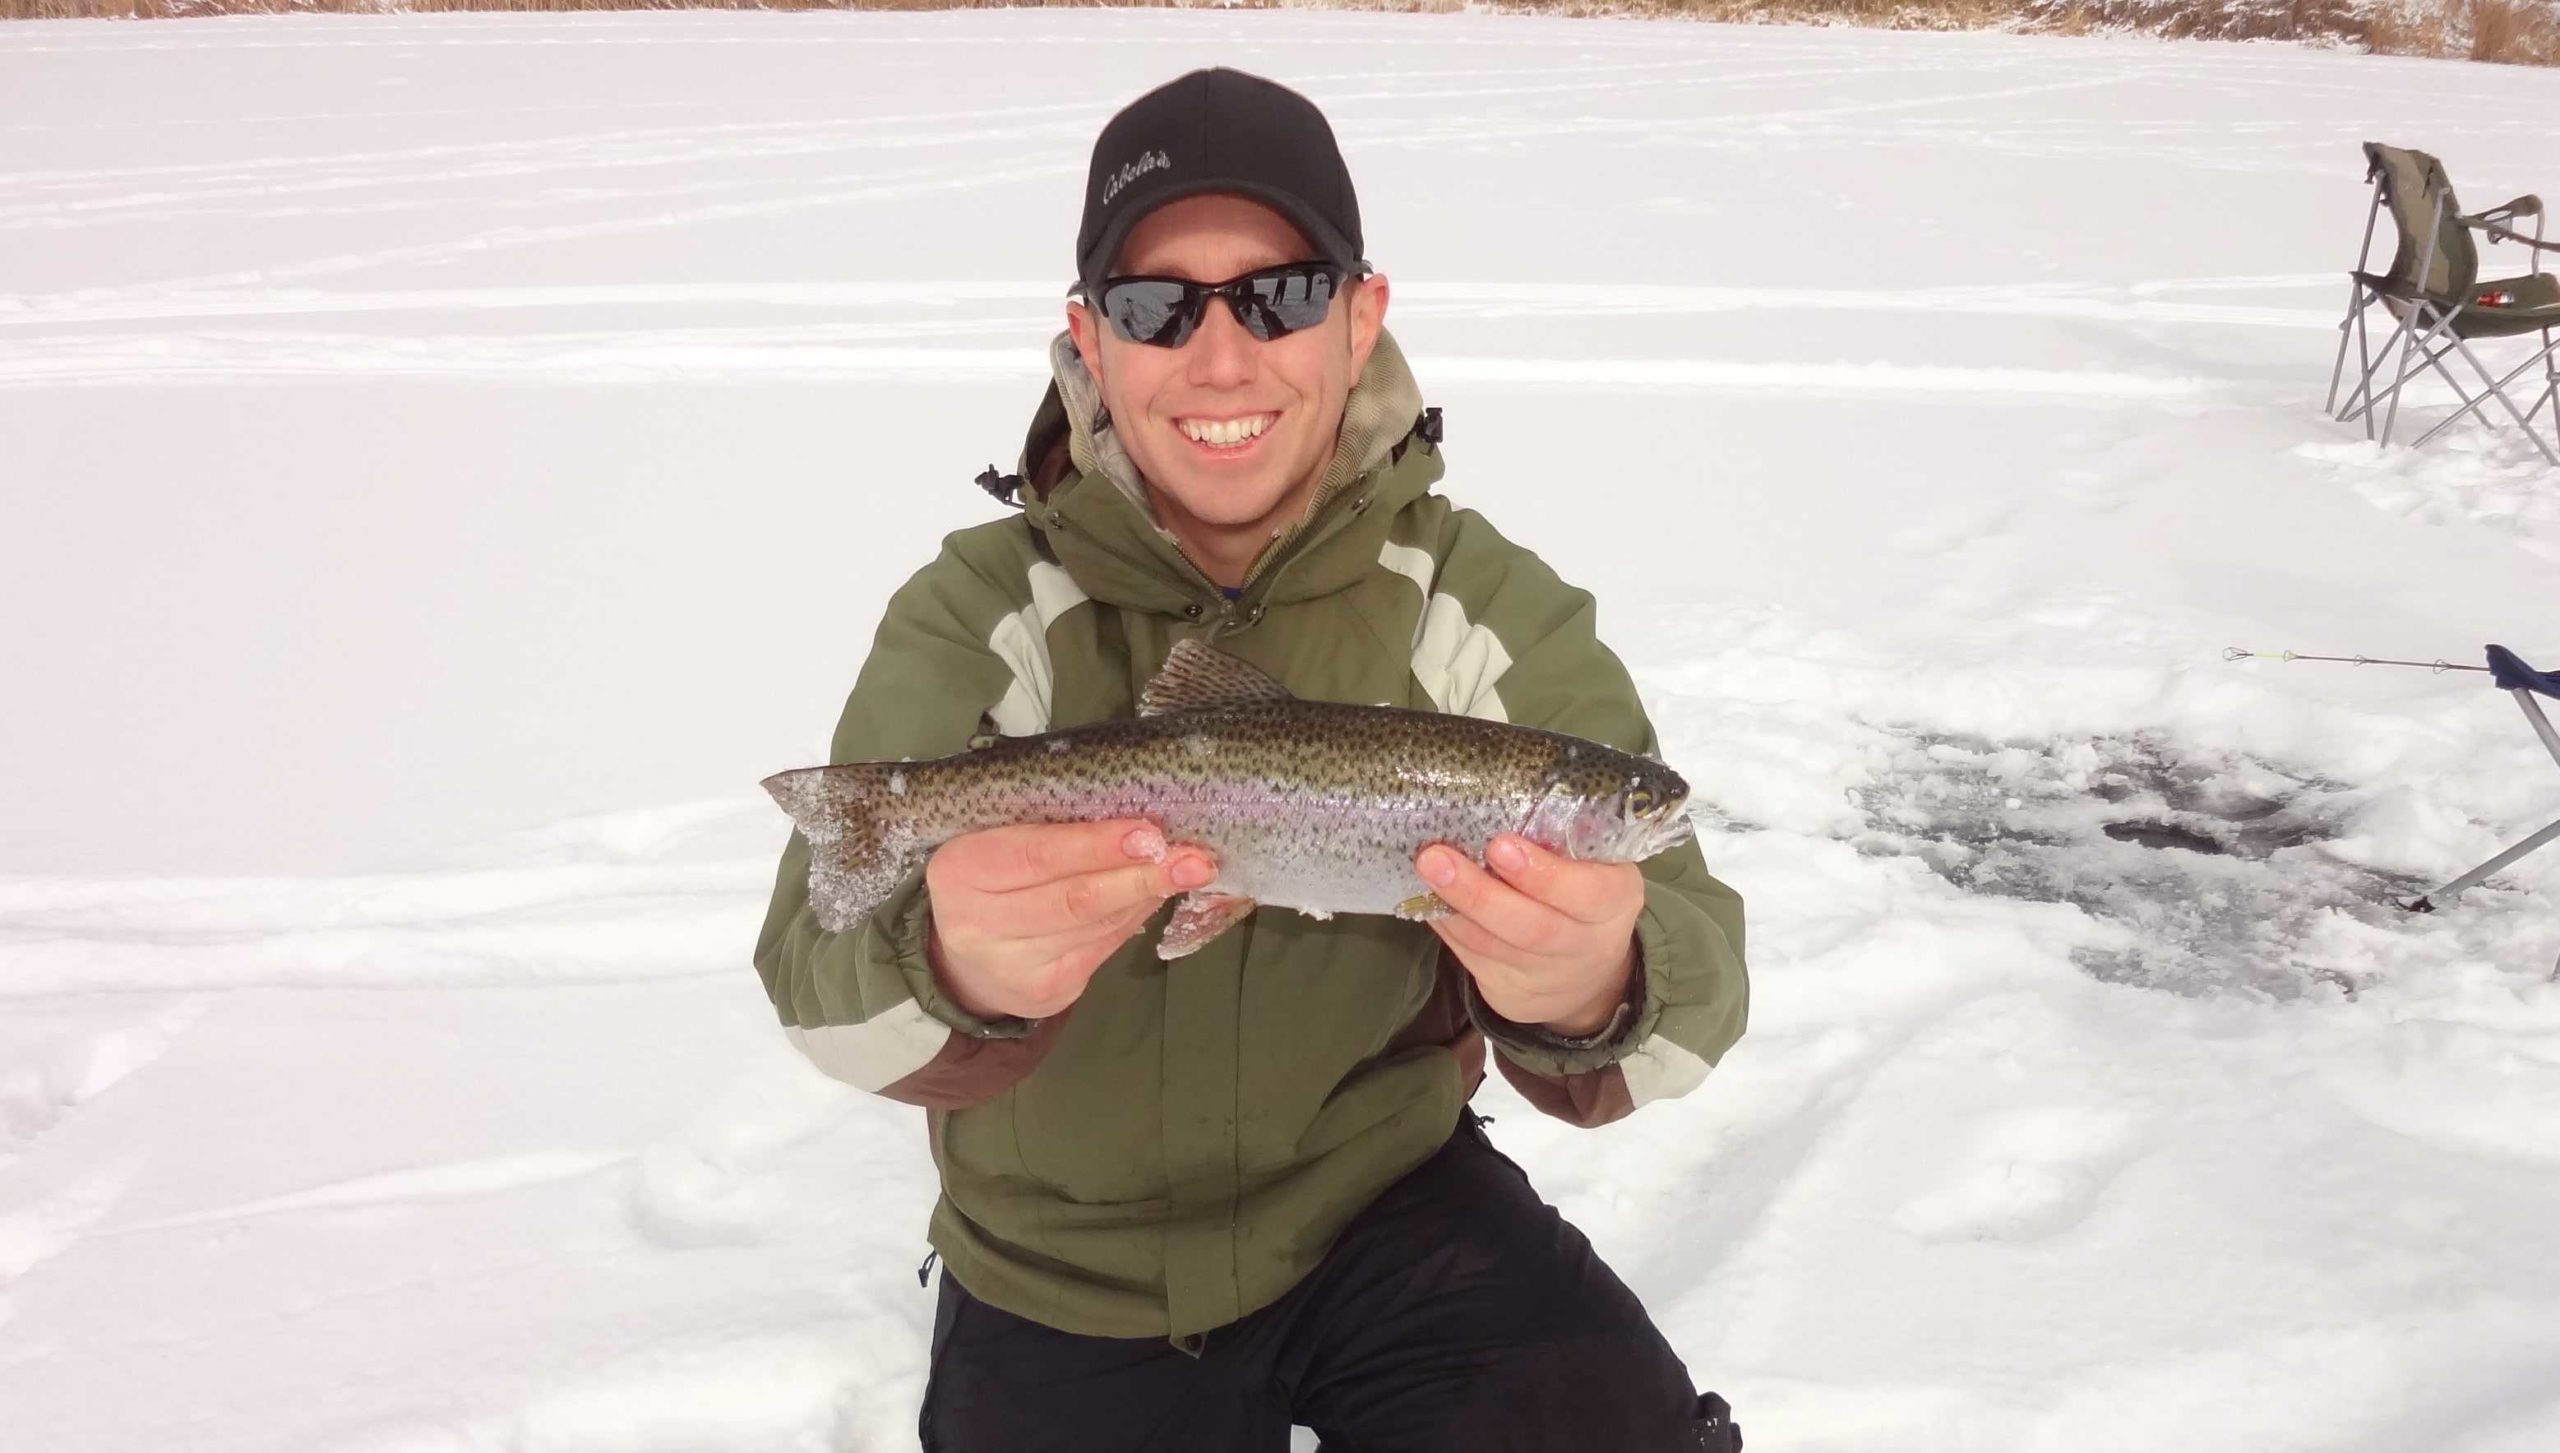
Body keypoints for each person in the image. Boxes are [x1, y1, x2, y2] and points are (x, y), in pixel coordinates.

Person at [752, 67, 1749, 1453]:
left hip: (1387, 1206)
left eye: (1277, 295)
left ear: (1361, 315)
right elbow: (815, 984)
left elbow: (1698, 974)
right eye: (1161, 308)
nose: (1222, 361)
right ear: (1090, 342)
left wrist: (1598, 984)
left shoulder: (1478, 604)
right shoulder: (979, 614)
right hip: (1058, 1267)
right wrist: (956, 970)